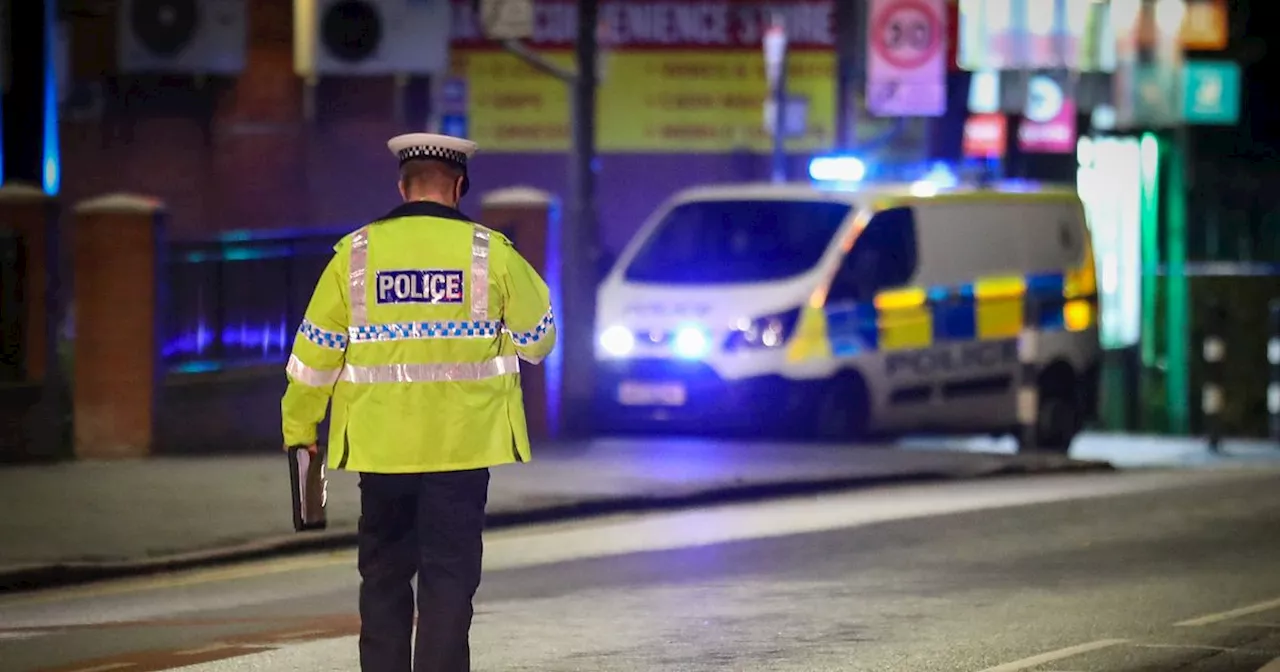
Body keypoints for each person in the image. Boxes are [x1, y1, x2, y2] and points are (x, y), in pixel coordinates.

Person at [280, 132, 557, 672]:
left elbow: (313, 362)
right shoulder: (489, 252)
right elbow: (540, 339)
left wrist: (301, 438)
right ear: (458, 186)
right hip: (462, 449)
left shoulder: (354, 256)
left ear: (401, 185)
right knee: (449, 581)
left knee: (383, 578)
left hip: (380, 453)